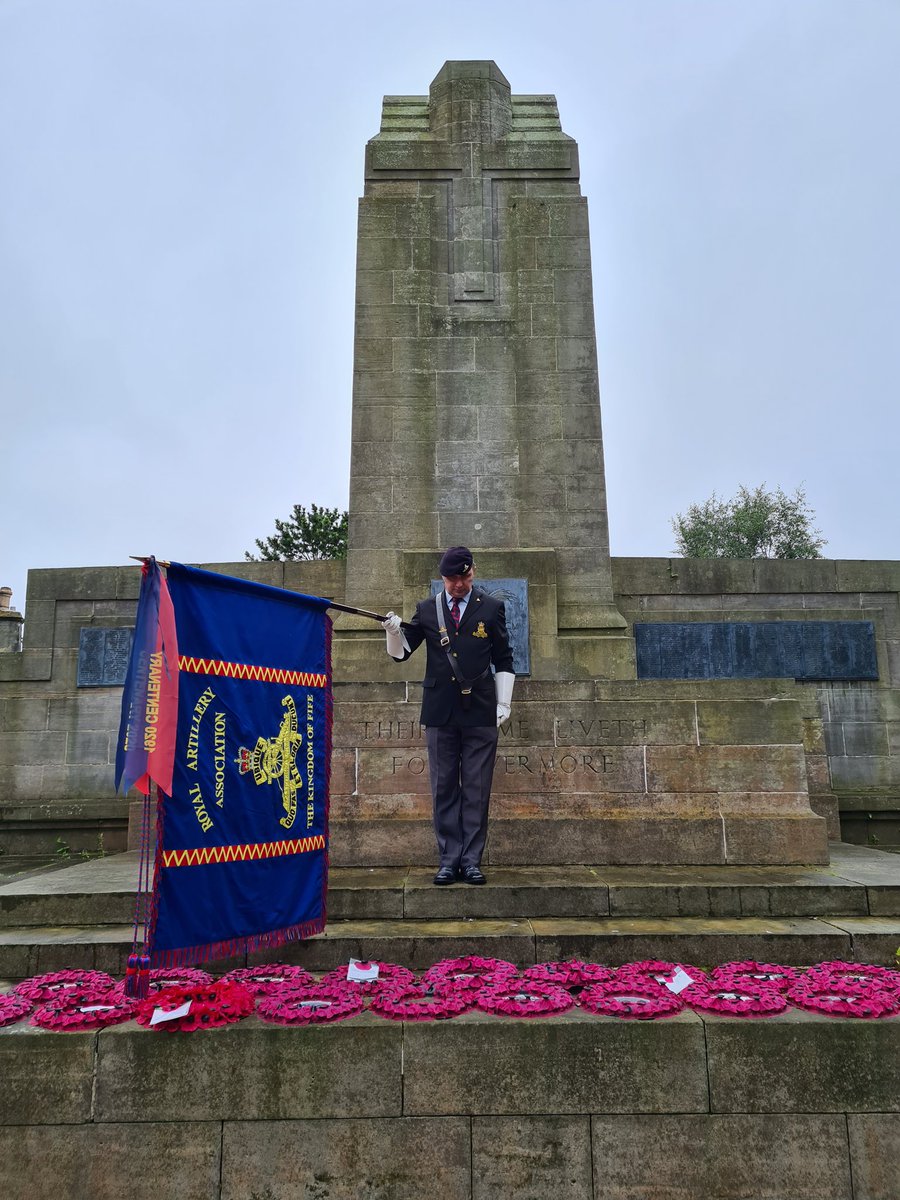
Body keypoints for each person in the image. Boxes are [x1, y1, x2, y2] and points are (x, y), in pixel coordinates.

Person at [382, 546, 515, 886]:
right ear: (443, 578)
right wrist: (393, 631)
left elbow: (504, 657)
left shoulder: (492, 608)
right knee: (443, 788)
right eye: (453, 579)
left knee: (476, 787)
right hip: (440, 710)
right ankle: (448, 860)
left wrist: (504, 704)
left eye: (465, 577)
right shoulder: (428, 609)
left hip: (482, 710)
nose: (459, 585)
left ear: (474, 573)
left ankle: (471, 861)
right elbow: (401, 655)